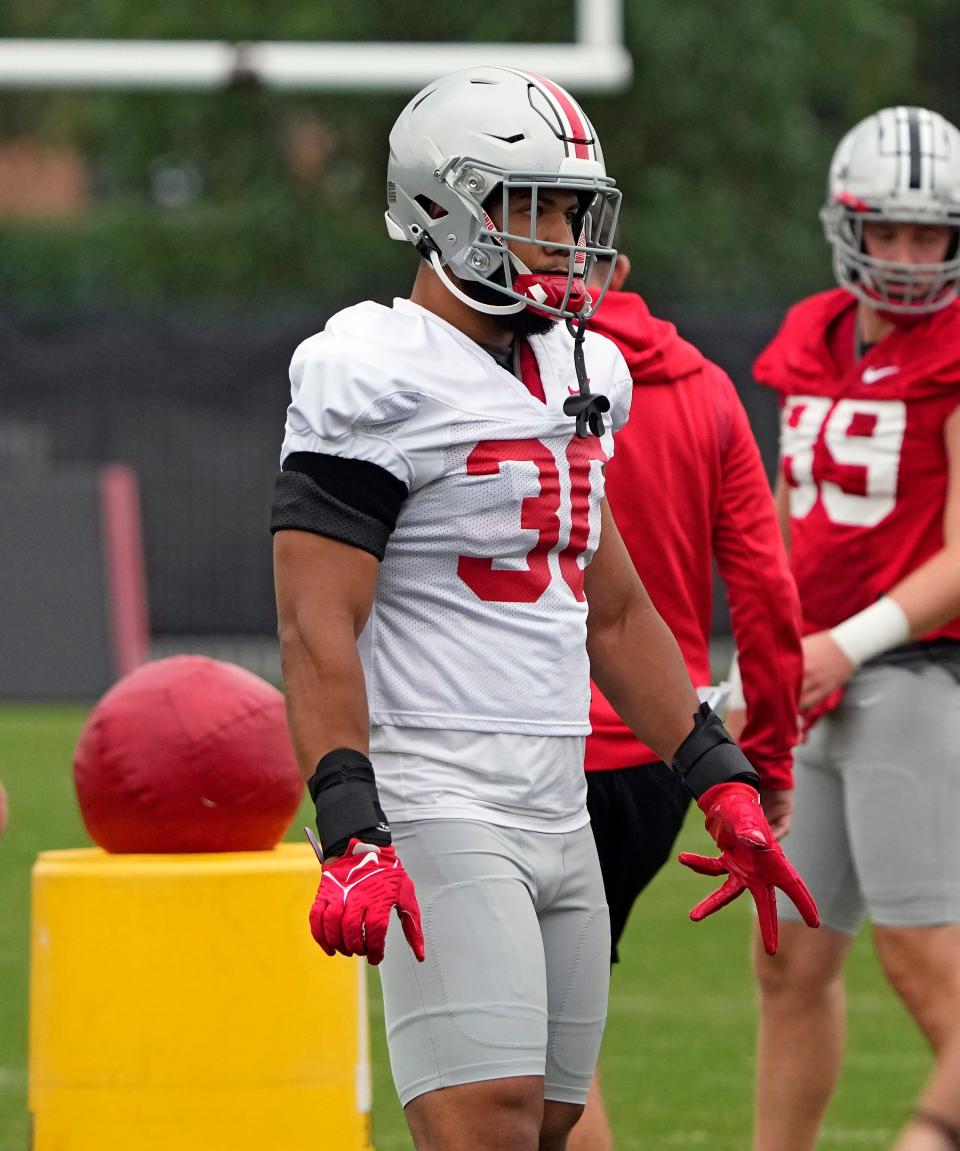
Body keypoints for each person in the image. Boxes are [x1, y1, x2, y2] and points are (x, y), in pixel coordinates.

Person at [271, 66, 817, 1151]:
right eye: (539, 207)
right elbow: (314, 619)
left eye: (575, 209)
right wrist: (351, 822)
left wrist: (718, 774)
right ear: (444, 208)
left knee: (557, 1119)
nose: (569, 236)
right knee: (487, 1120)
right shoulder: (374, 368)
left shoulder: (583, 373)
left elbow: (610, 608)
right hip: (440, 792)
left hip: (555, 793)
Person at [735, 106, 960, 1151]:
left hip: (916, 675)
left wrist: (842, 645)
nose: (911, 259)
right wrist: (771, 659)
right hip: (821, 678)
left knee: (923, 955)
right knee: (788, 953)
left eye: (933, 237)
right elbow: (784, 523)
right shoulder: (809, 333)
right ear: (848, 225)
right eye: (892, 233)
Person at [566, 253, 804, 1151]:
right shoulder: (705, 388)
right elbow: (768, 596)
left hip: (523, 753)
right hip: (662, 760)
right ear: (619, 264)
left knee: (520, 1059)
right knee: (558, 1038)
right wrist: (763, 765)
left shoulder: (497, 367)